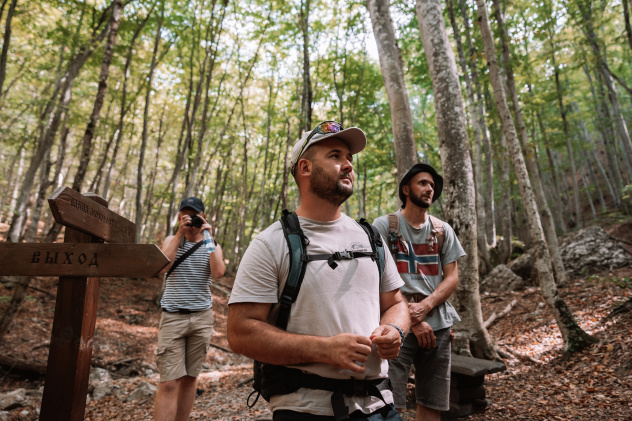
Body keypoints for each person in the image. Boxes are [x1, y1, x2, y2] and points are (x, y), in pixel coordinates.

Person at [227, 121, 410, 421]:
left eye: (349, 158)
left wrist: (395, 329)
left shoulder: (370, 237)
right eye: (335, 156)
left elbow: (396, 303)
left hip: (380, 405)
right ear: (305, 168)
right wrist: (324, 350)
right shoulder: (271, 243)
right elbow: (240, 332)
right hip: (306, 408)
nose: (348, 165)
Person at [373, 163, 466, 421]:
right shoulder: (384, 226)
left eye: (432, 186)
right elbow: (377, 277)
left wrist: (425, 308)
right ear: (406, 189)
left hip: (438, 324)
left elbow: (452, 277)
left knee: (432, 402)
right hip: (396, 326)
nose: (429, 189)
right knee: (389, 401)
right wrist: (412, 319)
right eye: (423, 183)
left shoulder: (442, 230)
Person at [154, 196, 226, 421]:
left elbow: (218, 272)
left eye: (193, 214)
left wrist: (207, 236)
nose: (189, 218)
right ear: (178, 216)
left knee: (189, 379)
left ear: (202, 217)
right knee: (168, 382)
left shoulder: (211, 245)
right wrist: (178, 233)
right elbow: (163, 266)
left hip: (201, 318)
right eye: (184, 214)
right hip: (173, 317)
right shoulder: (170, 240)